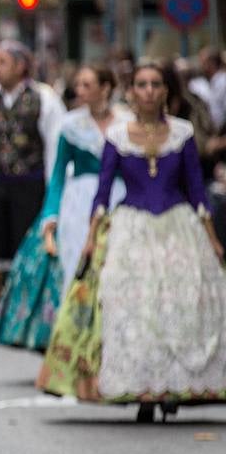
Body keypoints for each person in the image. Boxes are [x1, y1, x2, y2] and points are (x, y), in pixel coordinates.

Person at [38, 61, 226, 421]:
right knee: (133, 306)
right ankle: (142, 390)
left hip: (178, 226)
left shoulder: (182, 134)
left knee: (179, 303)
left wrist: (212, 238)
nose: (149, 91)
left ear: (165, 92)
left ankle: (174, 386)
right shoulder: (119, 137)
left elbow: (196, 189)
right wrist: (92, 238)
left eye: (156, 84)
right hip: (131, 226)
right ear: (132, 92)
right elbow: (104, 192)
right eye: (142, 85)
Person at [0, 65, 127, 350]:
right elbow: (60, 173)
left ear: (106, 88)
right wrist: (51, 213)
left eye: (87, 85)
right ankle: (74, 341)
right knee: (74, 266)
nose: (80, 91)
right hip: (78, 204)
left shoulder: (127, 123)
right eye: (79, 85)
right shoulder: (72, 125)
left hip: (120, 199)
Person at [0, 40, 65, 316]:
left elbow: (55, 147)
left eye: (3, 62)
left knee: (26, 246)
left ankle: (26, 307)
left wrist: (54, 189)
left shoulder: (43, 98)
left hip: (30, 185)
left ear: (21, 66)